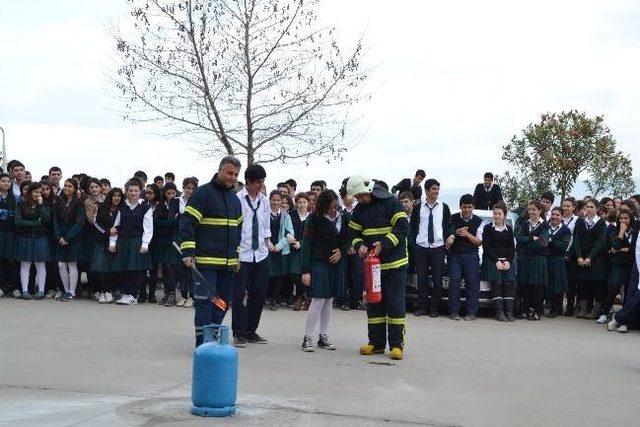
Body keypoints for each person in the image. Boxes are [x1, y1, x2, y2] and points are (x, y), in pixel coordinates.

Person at [179, 156, 243, 347]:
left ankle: (212, 336)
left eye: (236, 174)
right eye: (229, 173)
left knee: (222, 303)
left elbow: (238, 231)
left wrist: (236, 256)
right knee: (205, 303)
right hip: (206, 263)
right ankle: (202, 343)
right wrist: (188, 251)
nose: (232, 177)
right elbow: (187, 224)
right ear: (220, 170)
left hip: (228, 265)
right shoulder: (202, 194)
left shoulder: (234, 199)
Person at [346, 175, 408, 360]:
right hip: (373, 266)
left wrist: (384, 244)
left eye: (361, 196)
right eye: (357, 197)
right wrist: (359, 246)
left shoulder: (391, 202)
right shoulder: (359, 209)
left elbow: (402, 227)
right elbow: (353, 232)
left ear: (369, 190)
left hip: (395, 264)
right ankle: (376, 344)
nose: (360, 200)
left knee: (395, 304)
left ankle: (397, 346)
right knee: (374, 304)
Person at [300, 189, 349, 352]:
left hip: (335, 264)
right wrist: (305, 270)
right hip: (318, 263)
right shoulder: (314, 219)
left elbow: (348, 239)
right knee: (318, 300)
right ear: (323, 205)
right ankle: (308, 337)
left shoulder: (344, 218)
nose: (333, 210)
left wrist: (341, 251)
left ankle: (323, 336)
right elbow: (306, 244)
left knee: (329, 300)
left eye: (336, 206)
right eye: (330, 207)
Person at [233, 164, 271, 346]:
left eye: (262, 182)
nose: (260, 185)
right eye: (257, 182)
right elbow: (234, 228)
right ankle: (238, 332)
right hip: (243, 254)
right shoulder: (237, 199)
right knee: (239, 294)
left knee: (259, 294)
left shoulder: (264, 201)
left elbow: (265, 227)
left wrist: (268, 245)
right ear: (248, 181)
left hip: (261, 254)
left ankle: (251, 330)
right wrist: (235, 254)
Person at [410, 179, 451, 317]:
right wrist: (414, 244)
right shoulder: (418, 207)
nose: (436, 191)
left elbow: (448, 226)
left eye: (438, 189)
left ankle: (434, 309)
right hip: (421, 247)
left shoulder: (444, 207)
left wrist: (450, 237)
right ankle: (421, 307)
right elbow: (413, 228)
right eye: (434, 189)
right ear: (427, 191)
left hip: (438, 247)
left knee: (437, 280)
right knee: (421, 280)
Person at [109, 179, 154, 306]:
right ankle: (126, 293)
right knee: (124, 269)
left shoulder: (146, 207)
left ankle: (133, 295)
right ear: (127, 191)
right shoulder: (122, 206)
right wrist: (112, 243)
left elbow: (148, 228)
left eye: (136, 191)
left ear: (140, 192)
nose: (133, 193)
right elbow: (116, 226)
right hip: (123, 241)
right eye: (130, 191)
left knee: (136, 270)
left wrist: (145, 244)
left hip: (137, 242)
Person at [446, 194, 483, 320]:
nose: (467, 210)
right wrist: (455, 233)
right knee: (454, 282)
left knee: (472, 283)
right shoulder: (452, 218)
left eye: (469, 207)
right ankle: (454, 312)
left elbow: (478, 242)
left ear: (473, 207)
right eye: (464, 207)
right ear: (460, 206)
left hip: (471, 255)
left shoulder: (479, 221)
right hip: (455, 255)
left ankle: (471, 312)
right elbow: (447, 232)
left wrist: (466, 233)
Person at [15, 182, 51, 299]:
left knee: (41, 265)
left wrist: (40, 205)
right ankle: (25, 291)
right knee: (25, 264)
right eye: (36, 192)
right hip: (25, 237)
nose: (38, 194)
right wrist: (35, 223)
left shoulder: (45, 204)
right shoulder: (21, 203)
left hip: (40, 237)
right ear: (30, 192)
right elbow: (18, 221)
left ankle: (41, 291)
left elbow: (46, 220)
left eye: (41, 192)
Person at [573, 199, 608, 319]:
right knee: (583, 284)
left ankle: (595, 311)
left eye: (592, 207)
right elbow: (576, 240)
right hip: (582, 259)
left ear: (597, 209)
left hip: (597, 259)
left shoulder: (602, 223)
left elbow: (601, 242)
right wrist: (579, 256)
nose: (589, 209)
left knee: (597, 285)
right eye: (587, 207)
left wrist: (590, 257)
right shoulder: (580, 221)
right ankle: (583, 309)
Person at [481, 201, 516, 321]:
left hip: (506, 261)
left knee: (509, 283)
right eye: (495, 213)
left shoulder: (509, 229)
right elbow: (487, 247)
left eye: (499, 214)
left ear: (504, 215)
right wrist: (496, 261)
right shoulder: (488, 228)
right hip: (492, 260)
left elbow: (511, 247)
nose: (496, 216)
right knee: (497, 283)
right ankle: (499, 312)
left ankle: (509, 312)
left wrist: (508, 261)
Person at [516, 200, 549, 321]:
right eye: (529, 209)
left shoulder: (544, 225)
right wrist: (532, 238)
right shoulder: (524, 224)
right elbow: (519, 239)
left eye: (534, 209)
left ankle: (536, 311)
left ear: (540, 211)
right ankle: (525, 310)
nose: (531, 212)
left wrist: (527, 243)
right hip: (525, 259)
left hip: (538, 260)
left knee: (537, 287)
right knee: (525, 285)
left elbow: (543, 243)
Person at [53, 179, 86, 302]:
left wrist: (68, 237)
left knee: (72, 264)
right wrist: (59, 236)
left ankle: (72, 292)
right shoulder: (58, 201)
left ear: (75, 188)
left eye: (70, 186)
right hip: (61, 238)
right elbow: (55, 220)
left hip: (73, 238)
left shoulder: (79, 203)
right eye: (65, 186)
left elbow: (79, 222)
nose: (67, 188)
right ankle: (66, 291)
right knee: (61, 265)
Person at [600, 209, 634, 324]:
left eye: (626, 218)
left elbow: (634, 249)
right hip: (618, 265)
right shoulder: (614, 230)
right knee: (613, 288)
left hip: (631, 265)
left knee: (628, 291)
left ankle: (624, 316)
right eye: (621, 218)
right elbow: (614, 246)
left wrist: (622, 249)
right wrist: (621, 233)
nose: (623, 221)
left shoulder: (635, 231)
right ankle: (604, 313)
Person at [92, 188, 123, 303]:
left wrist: (116, 230)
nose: (116, 198)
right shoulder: (102, 206)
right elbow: (95, 222)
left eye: (119, 195)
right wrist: (107, 232)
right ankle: (105, 291)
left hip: (116, 242)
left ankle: (111, 290)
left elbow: (125, 224)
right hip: (101, 240)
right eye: (114, 195)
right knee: (100, 268)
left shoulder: (123, 209)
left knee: (111, 268)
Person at [266, 190, 294, 310]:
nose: (276, 202)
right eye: (274, 200)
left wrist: (279, 245)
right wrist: (268, 243)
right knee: (266, 275)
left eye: (278, 200)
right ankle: (265, 298)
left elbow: (290, 232)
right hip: (266, 248)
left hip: (280, 250)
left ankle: (275, 301)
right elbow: (261, 230)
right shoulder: (264, 213)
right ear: (269, 200)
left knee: (278, 277)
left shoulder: (285, 216)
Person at [177, 177, 198, 307]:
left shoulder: (197, 201)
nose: (189, 190)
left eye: (192, 188)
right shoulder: (176, 202)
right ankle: (183, 295)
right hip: (178, 239)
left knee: (191, 270)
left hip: (193, 240)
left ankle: (192, 296)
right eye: (187, 188)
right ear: (183, 188)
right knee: (181, 270)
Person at [546, 207, 571, 317]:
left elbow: (563, 246)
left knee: (558, 287)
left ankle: (556, 309)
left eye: (557, 215)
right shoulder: (545, 227)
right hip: (546, 259)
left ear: (562, 217)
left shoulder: (566, 230)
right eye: (553, 214)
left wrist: (551, 240)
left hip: (558, 260)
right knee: (548, 285)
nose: (554, 217)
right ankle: (549, 307)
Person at [289, 192, 310, 311]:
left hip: (306, 249)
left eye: (304, 202)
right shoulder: (291, 215)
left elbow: (313, 235)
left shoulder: (312, 216)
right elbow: (286, 229)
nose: (302, 204)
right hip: (293, 249)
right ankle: (300, 296)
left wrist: (301, 243)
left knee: (304, 274)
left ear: (308, 203)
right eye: (299, 202)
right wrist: (290, 238)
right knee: (294, 274)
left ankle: (304, 297)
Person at [561, 197, 579, 316]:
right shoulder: (558, 218)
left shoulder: (577, 220)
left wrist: (570, 254)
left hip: (571, 255)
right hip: (559, 253)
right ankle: (556, 305)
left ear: (573, 207)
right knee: (559, 280)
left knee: (571, 282)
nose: (566, 208)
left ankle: (570, 306)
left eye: (568, 206)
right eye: (564, 206)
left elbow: (576, 239)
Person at [0, 173, 17, 298]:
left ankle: (12, 286)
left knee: (11, 260)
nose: (6, 183)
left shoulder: (15, 198)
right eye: (3, 181)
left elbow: (16, 214)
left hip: (11, 232)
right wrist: (7, 213)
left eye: (8, 181)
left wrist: (3, 212)